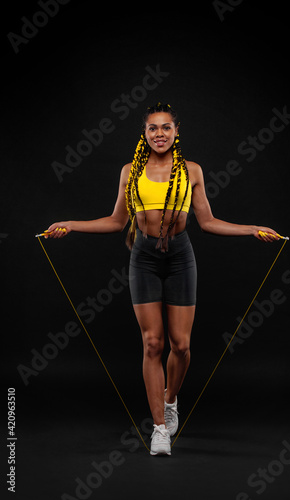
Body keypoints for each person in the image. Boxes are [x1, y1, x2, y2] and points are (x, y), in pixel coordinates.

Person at [45, 103, 278, 456]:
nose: (159, 134)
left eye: (166, 128)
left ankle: (171, 401)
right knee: (153, 344)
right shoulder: (130, 172)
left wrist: (253, 229)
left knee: (180, 346)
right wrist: (71, 224)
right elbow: (114, 221)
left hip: (181, 257)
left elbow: (209, 222)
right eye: (153, 128)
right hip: (144, 258)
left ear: (176, 131)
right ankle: (158, 429)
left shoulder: (191, 170)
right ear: (145, 133)